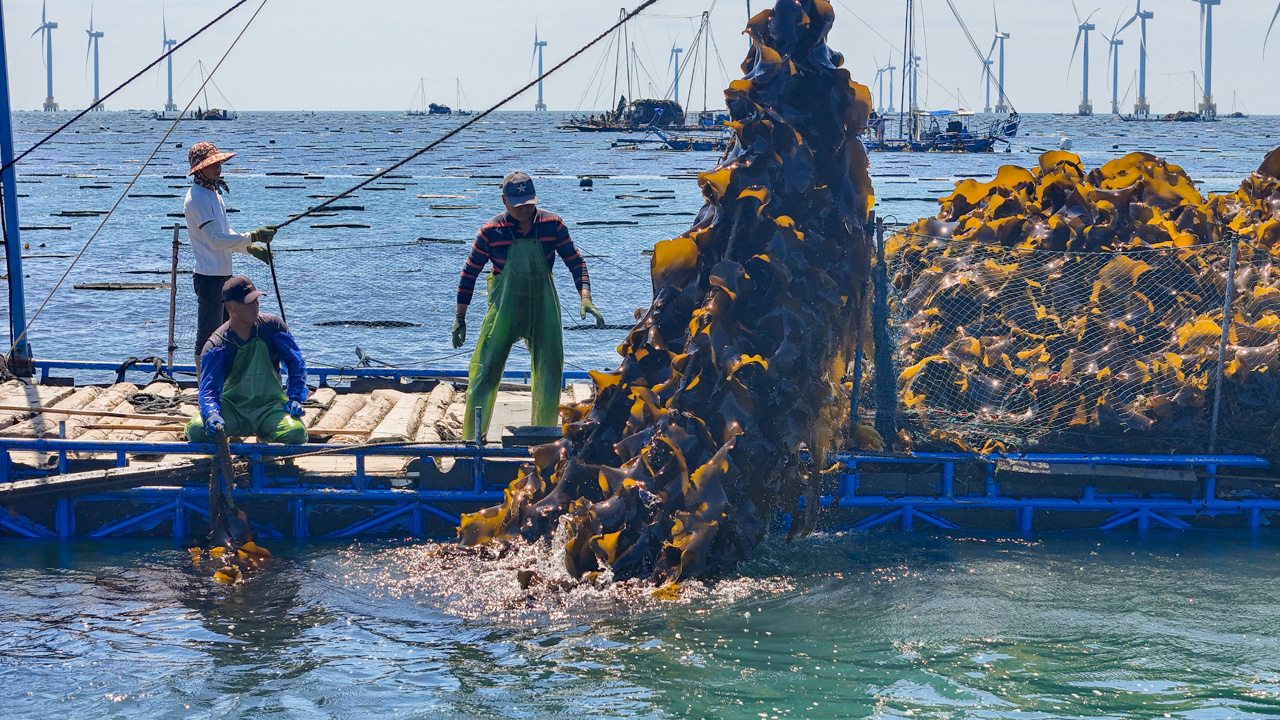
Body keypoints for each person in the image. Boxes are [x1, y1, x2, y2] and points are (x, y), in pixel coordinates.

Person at [453, 171, 605, 440]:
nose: (524, 210)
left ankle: (543, 440)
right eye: (518, 205)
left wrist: (585, 297)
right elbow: (469, 274)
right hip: (504, 312)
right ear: (504, 200)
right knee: (484, 372)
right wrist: (460, 318)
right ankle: (471, 440)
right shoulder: (490, 232)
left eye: (528, 204)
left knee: (549, 375)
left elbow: (576, 262)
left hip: (543, 311)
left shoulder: (552, 224)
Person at [183, 141, 276, 366]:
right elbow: (215, 241)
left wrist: (249, 248)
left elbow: (226, 234)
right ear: (199, 169)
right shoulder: (197, 198)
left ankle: (225, 379)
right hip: (208, 278)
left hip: (224, 275)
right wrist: (253, 236)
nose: (218, 167)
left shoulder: (214, 192)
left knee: (229, 333)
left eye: (219, 163)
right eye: (212, 164)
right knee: (208, 337)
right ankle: (204, 382)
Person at [185, 276, 309, 445]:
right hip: (233, 409)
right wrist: (212, 414)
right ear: (229, 307)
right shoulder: (216, 345)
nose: (254, 306)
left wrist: (295, 397)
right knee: (196, 430)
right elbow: (208, 390)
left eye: (256, 300)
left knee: (296, 433)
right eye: (248, 302)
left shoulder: (272, 327)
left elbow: (296, 365)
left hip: (270, 407)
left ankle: (266, 438)